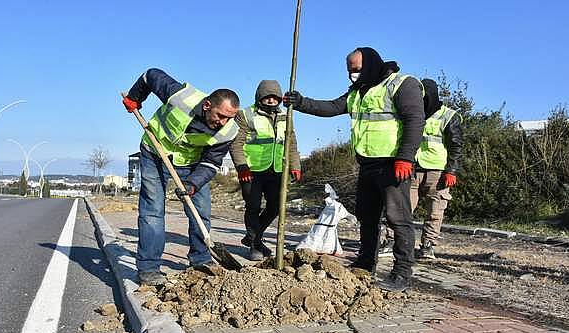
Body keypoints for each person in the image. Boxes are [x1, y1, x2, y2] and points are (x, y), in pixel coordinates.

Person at [284, 47, 425, 291]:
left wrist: (405, 157)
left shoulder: (402, 84)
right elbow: (331, 108)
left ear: (370, 65)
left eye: (357, 70)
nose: (352, 75)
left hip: (393, 164)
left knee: (397, 217)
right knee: (366, 216)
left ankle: (402, 272)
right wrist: (301, 102)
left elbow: (415, 120)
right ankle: (365, 263)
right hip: (368, 164)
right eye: (350, 71)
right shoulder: (358, 91)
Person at [122, 68, 240, 286]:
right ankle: (148, 268)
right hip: (154, 152)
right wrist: (134, 97)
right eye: (221, 116)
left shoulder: (228, 131)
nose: (224, 122)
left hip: (191, 164)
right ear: (206, 106)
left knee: (201, 211)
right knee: (153, 210)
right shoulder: (181, 96)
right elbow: (151, 75)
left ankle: (201, 259)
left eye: (229, 118)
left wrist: (193, 183)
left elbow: (211, 162)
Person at [229, 80, 301, 260]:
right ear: (259, 97)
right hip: (251, 170)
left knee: (276, 206)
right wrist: (242, 167)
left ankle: (254, 236)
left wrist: (295, 165)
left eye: (274, 97)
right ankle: (255, 245)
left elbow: (291, 143)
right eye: (267, 97)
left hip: (276, 169)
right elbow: (236, 144)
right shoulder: (245, 115)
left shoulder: (287, 115)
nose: (271, 101)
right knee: (253, 206)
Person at [411, 78, 463, 259]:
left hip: (438, 172)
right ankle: (391, 241)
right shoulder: (413, 112)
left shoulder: (449, 116)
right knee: (401, 208)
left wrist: (452, 170)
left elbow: (456, 146)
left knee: (435, 211)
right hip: (412, 168)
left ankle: (427, 246)